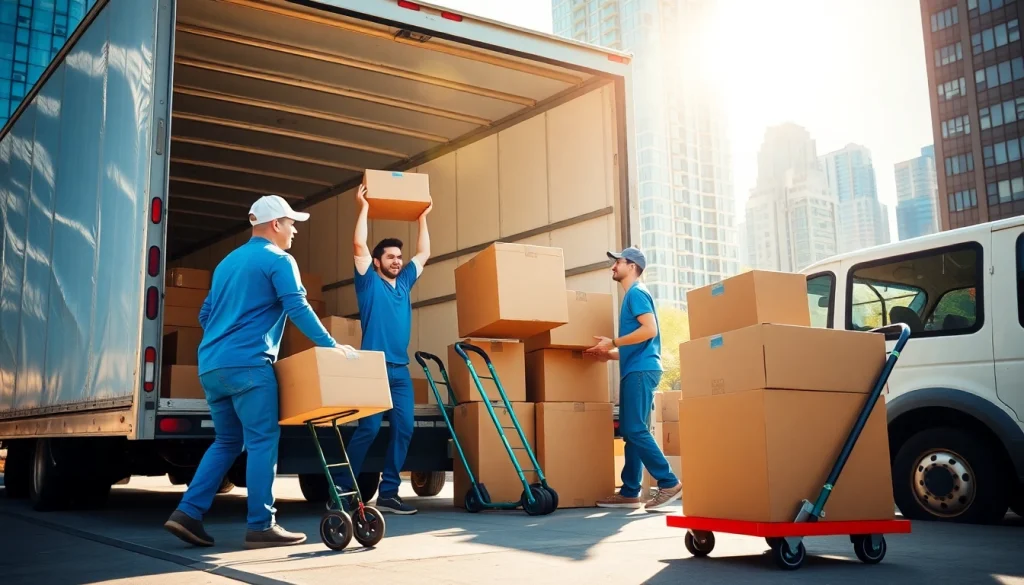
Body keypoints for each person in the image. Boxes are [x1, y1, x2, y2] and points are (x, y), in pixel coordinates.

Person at [164, 195, 357, 549]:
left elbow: (204, 315)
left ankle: (187, 512)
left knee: (227, 441)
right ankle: (261, 525)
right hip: (249, 366)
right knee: (262, 442)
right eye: (290, 222)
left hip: (212, 365)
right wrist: (331, 345)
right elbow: (296, 305)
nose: (295, 229)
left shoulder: (226, 264)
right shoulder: (279, 260)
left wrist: (225, 340)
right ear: (274, 225)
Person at [329, 184, 431, 515]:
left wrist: (422, 220)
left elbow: (424, 254)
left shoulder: (404, 283)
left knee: (405, 428)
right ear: (376, 262)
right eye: (391, 257)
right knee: (369, 429)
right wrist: (363, 207)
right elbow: (358, 243)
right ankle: (343, 489)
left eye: (399, 257)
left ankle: (388, 494)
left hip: (399, 370)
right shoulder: (368, 282)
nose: (398, 261)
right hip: (372, 367)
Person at [585, 246, 682, 510]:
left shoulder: (636, 293)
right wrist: (610, 355)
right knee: (633, 431)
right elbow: (639, 342)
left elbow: (649, 330)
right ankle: (629, 491)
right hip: (637, 367)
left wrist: (612, 342)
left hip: (640, 370)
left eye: (618, 262)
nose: (613, 267)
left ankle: (668, 481)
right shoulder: (633, 295)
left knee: (634, 428)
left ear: (632, 265)